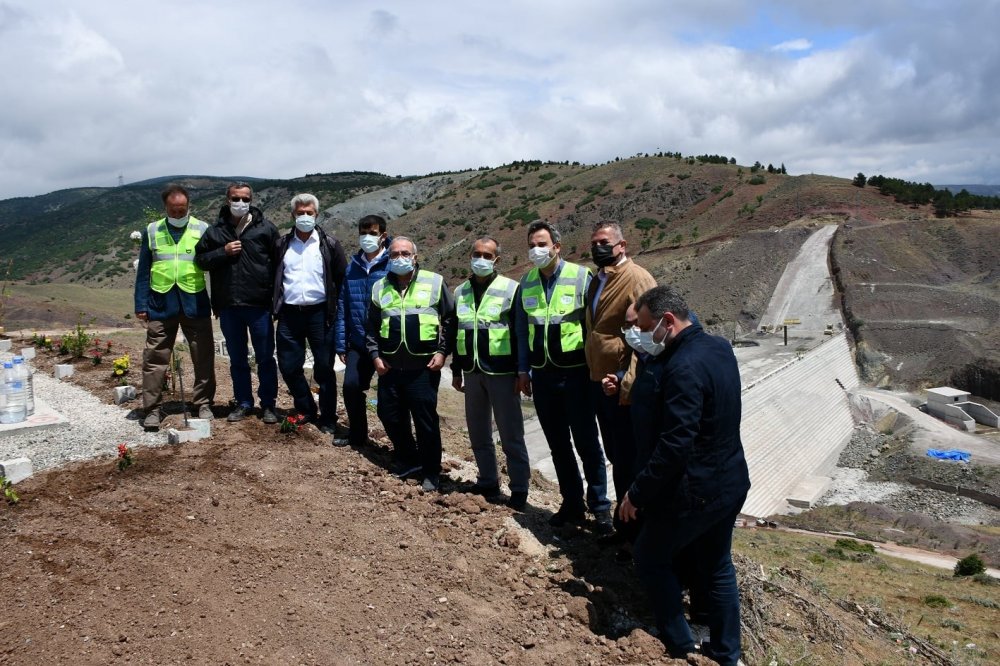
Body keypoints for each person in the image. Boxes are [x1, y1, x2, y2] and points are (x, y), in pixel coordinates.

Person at [619, 285, 750, 666]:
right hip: (730, 480)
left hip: (696, 490)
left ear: (668, 321)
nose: (643, 335)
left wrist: (637, 493)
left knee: (649, 556)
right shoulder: (718, 348)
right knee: (717, 566)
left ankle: (681, 646)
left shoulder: (682, 367)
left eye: (646, 328)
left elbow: (676, 444)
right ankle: (726, 655)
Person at [517, 220, 611, 529]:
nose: (536, 250)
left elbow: (594, 326)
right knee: (558, 445)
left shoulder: (581, 277)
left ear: (557, 247)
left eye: (542, 244)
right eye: (532, 245)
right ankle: (572, 503)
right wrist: (523, 370)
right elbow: (522, 331)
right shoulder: (526, 282)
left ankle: (600, 507)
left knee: (587, 443)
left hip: (576, 375)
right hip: (543, 376)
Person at [366, 237, 455, 492]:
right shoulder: (379, 287)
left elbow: (450, 319)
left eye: (405, 253)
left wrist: (443, 352)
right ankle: (409, 458)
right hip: (390, 367)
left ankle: (431, 471)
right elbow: (371, 326)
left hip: (423, 369)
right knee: (389, 414)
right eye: (394, 254)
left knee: (425, 421)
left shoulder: (434, 282)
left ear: (415, 257)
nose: (400, 258)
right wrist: (375, 355)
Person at [585, 220, 656, 539]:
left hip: (622, 386)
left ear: (622, 245)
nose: (598, 247)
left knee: (629, 458)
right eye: (594, 243)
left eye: (604, 242)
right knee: (615, 454)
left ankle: (634, 532)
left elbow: (648, 337)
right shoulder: (597, 278)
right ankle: (625, 526)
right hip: (599, 381)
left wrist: (625, 381)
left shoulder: (638, 278)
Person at [451, 236, 531, 510]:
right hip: (472, 372)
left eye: (487, 255)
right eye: (477, 254)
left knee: (511, 433)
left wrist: (521, 370)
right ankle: (487, 481)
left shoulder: (511, 289)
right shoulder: (461, 291)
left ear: (497, 260)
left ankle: (519, 489)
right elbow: (457, 332)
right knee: (478, 432)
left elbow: (520, 333)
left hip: (502, 372)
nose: (481, 259)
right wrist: (456, 369)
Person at [195, 182, 280, 424]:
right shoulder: (215, 231)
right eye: (235, 198)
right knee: (237, 359)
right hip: (229, 306)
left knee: (265, 358)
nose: (240, 203)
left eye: (245, 198)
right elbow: (200, 260)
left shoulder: (266, 229)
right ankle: (243, 402)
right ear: (227, 200)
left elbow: (279, 264)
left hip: (259, 305)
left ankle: (268, 404)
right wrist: (222, 251)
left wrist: (275, 301)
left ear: (251, 200)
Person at [134, 184, 217, 430]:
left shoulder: (202, 228)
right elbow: (143, 271)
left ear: (189, 206)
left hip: (195, 302)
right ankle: (152, 409)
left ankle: (203, 403)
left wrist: (217, 302)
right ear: (166, 207)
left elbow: (213, 265)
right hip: (160, 303)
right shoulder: (152, 230)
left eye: (182, 210)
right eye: (174, 210)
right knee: (154, 358)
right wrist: (141, 304)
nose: (178, 214)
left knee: (203, 355)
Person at [272, 193, 347, 433]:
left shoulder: (330, 244)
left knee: (324, 369)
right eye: (300, 213)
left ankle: (328, 417)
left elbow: (341, 280)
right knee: (288, 366)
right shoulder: (282, 245)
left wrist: (338, 312)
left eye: (309, 213)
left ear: (317, 215)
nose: (305, 216)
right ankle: (305, 408)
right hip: (289, 314)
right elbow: (273, 277)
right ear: (293, 215)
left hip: (320, 314)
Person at [335, 215, 391, 447]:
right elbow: (343, 306)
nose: (367, 237)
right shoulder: (353, 268)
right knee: (351, 387)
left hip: (387, 344)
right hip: (358, 341)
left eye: (373, 233)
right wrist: (341, 343)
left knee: (390, 399)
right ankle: (357, 436)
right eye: (363, 233)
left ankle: (402, 447)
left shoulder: (392, 265)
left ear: (383, 236)